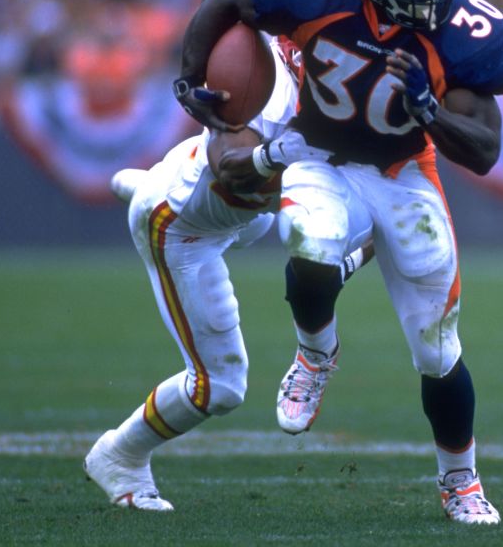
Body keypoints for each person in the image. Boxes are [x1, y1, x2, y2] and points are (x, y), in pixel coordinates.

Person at [173, 0, 503, 525]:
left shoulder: (466, 30)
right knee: (307, 240)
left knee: (437, 349)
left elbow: (487, 152)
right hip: (319, 154)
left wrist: (431, 112)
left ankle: (461, 480)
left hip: (404, 173)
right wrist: (189, 78)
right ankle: (315, 353)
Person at [83, 38, 373, 511]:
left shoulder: (356, 97)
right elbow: (231, 165)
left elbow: (384, 224)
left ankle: (147, 183)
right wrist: (284, 152)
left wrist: (343, 265)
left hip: (235, 211)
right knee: (220, 387)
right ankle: (120, 454)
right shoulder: (269, 85)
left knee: (272, 218)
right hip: (184, 229)